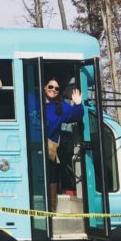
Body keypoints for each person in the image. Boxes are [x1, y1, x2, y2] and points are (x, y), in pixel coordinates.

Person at [43, 78, 84, 211]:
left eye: (56, 88)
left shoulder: (60, 107)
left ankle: (51, 210)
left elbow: (76, 116)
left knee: (51, 177)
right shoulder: (33, 102)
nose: (53, 90)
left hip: (49, 149)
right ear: (44, 88)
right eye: (50, 86)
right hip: (33, 147)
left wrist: (78, 104)